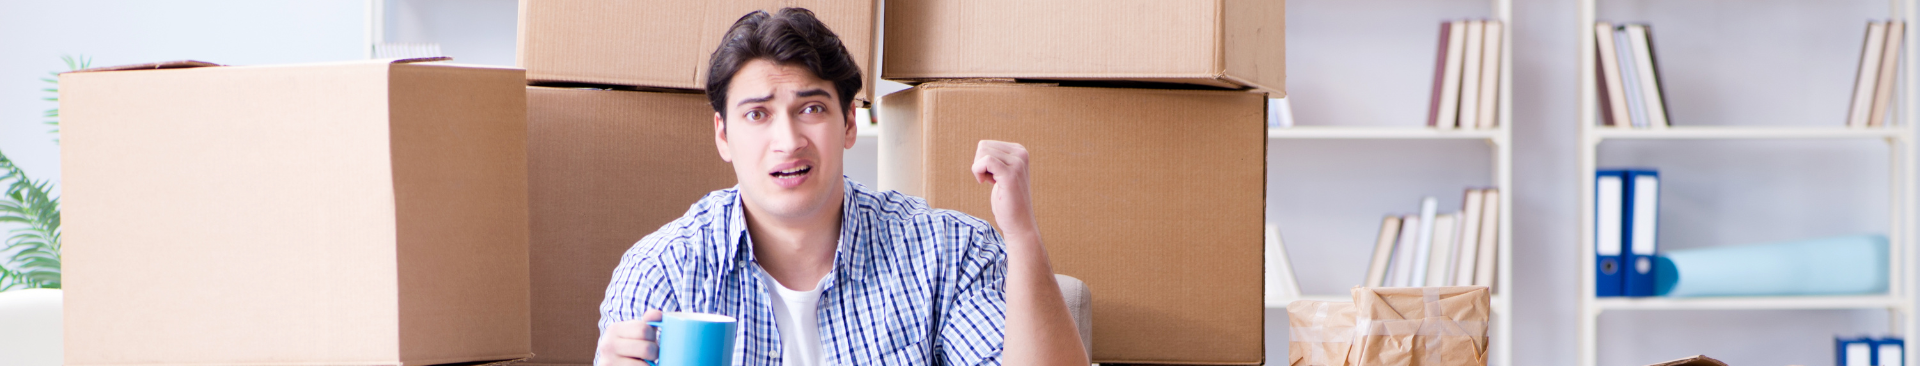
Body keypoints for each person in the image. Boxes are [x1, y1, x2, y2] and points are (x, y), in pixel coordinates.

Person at [593, 8, 1087, 366]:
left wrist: (1020, 234)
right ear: (724, 135)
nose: (788, 141)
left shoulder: (946, 252)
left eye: (812, 109)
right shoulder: (663, 269)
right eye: (757, 114)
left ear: (850, 122)